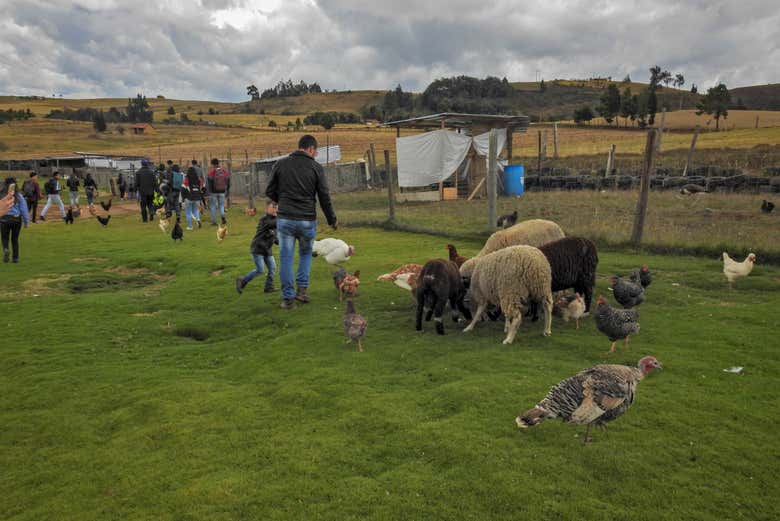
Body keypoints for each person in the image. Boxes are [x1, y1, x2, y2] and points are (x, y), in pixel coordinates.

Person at [266, 134, 337, 309]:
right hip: (307, 220)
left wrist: (282, 200)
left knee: (286, 258)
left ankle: (288, 299)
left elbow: (270, 190)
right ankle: (302, 292)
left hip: (286, 219)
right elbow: (324, 196)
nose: (316, 155)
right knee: (305, 254)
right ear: (311, 149)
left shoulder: (281, 164)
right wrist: (331, 219)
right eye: (316, 151)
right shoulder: (316, 168)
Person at [236, 200, 278, 295]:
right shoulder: (264, 220)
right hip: (258, 248)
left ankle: (268, 287)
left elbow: (274, 236)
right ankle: (242, 281)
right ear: (267, 209)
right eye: (273, 207)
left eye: (276, 207)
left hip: (267, 249)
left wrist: (281, 242)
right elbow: (271, 224)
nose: (275, 209)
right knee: (260, 270)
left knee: (272, 268)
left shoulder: (275, 221)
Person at [0, 177, 31, 263]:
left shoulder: (1, 195)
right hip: (16, 219)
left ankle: (6, 249)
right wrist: (26, 222)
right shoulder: (18, 196)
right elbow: (24, 209)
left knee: (4, 238)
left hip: (4, 219)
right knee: (15, 239)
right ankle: (15, 258)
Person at [207, 158, 230, 225]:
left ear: (212, 164)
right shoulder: (224, 171)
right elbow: (228, 180)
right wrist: (227, 189)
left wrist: (210, 191)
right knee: (221, 206)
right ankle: (223, 217)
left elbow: (209, 181)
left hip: (213, 192)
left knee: (213, 206)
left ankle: (214, 222)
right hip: (222, 191)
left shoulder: (211, 172)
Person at [182, 166, 204, 230]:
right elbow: (203, 186)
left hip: (189, 198)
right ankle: (198, 219)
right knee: (195, 210)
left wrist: (183, 198)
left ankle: (190, 226)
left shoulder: (186, 179)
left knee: (188, 212)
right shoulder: (199, 179)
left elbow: (183, 189)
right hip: (197, 198)